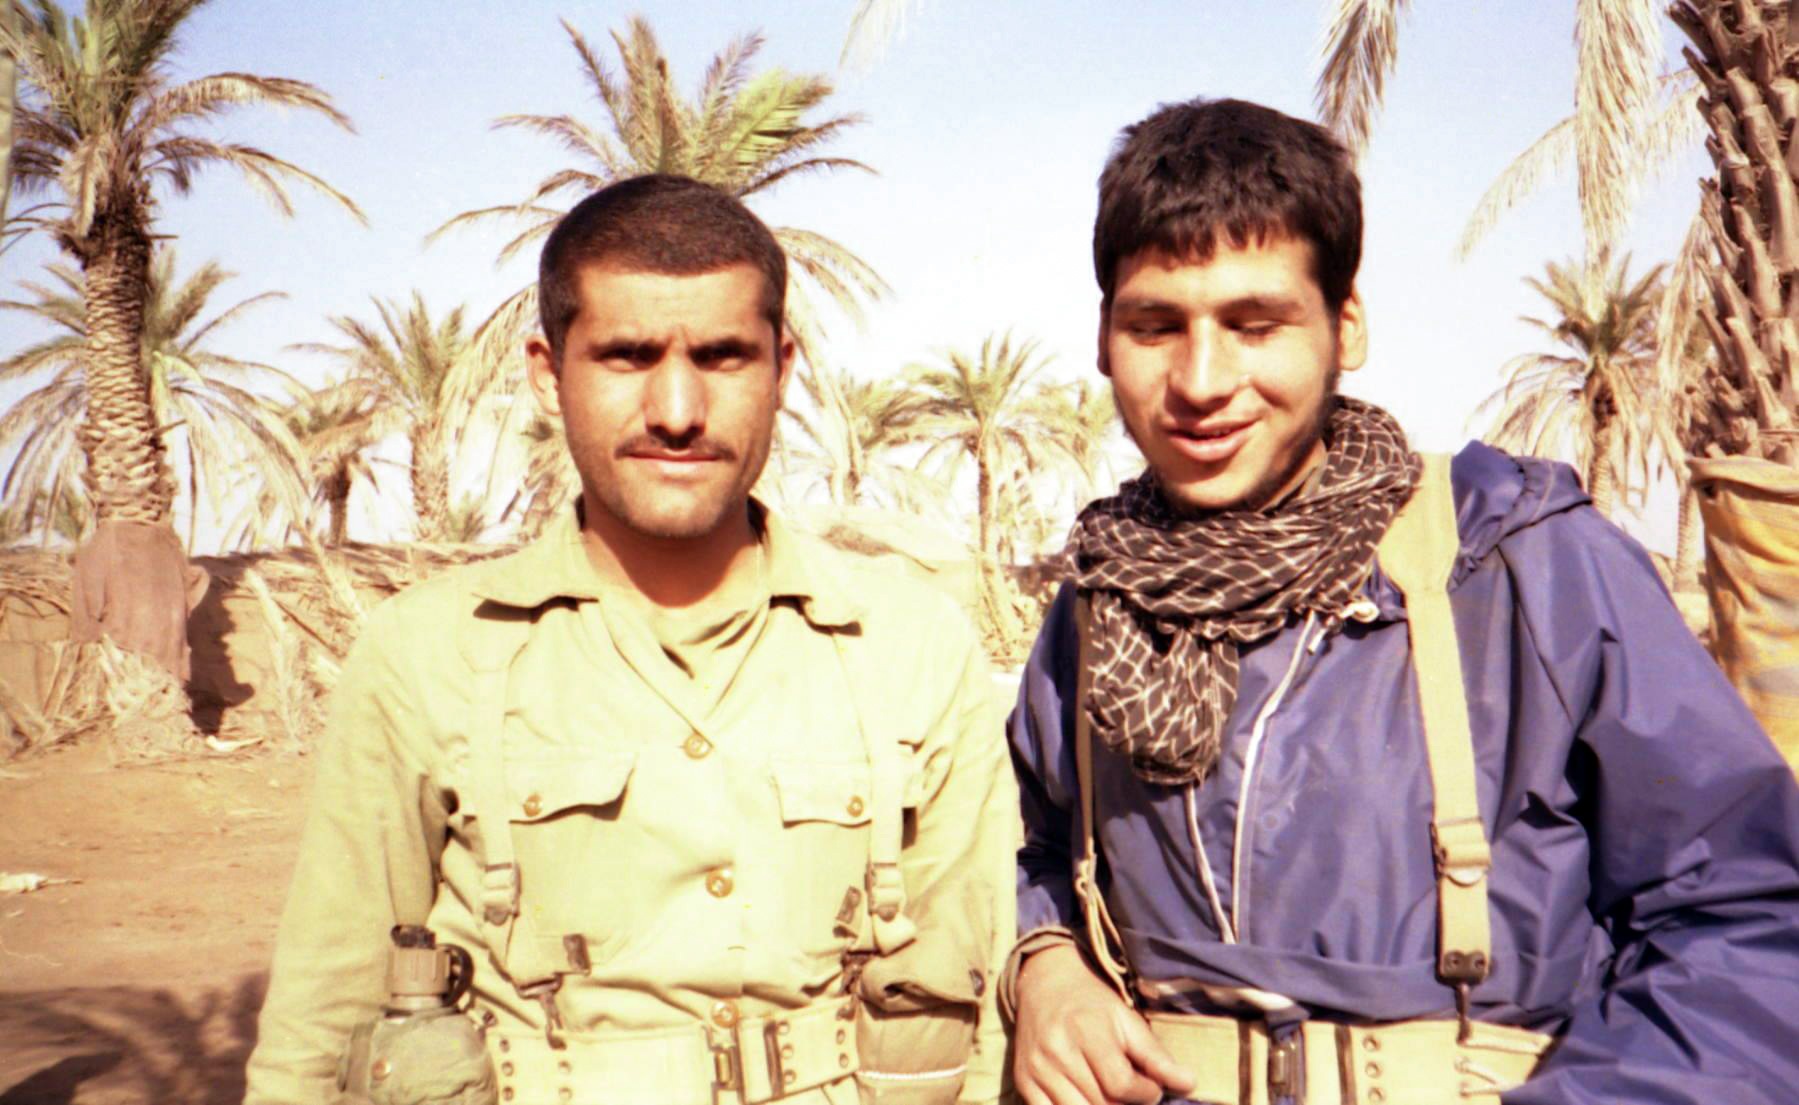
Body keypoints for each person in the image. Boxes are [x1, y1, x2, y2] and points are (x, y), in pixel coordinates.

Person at [1004, 97, 1799, 1105]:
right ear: (1103, 335)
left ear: (1345, 325)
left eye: (1254, 324)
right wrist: (1045, 965)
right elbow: (1038, 853)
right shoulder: (1096, 605)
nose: (1199, 381)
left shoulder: (1524, 568)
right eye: (1154, 326)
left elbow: (1742, 924)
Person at [244, 175, 1016, 1105]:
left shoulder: (911, 646)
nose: (678, 410)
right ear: (547, 372)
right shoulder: (426, 653)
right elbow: (323, 1020)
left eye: (723, 356)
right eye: (627, 355)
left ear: (782, 368)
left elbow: (984, 1005)